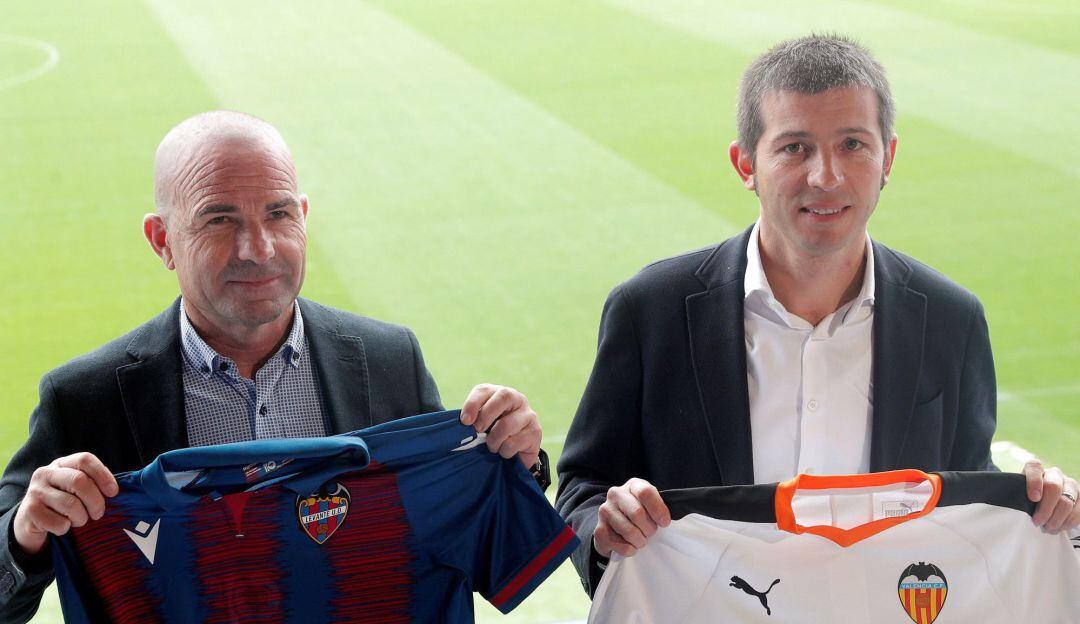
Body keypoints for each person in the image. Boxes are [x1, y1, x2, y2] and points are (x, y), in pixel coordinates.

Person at [554, 34, 1080, 596]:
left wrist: (1037, 505)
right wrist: (605, 530)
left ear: (888, 158)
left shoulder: (953, 320)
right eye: (794, 148)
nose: (825, 176)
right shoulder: (650, 310)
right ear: (745, 164)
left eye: (852, 144)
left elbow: (964, 507)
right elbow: (585, 485)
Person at [0, 111, 546, 621]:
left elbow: (467, 540)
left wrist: (514, 463)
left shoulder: (389, 360)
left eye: (279, 213)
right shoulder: (84, 399)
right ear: (163, 240)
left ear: (303, 217)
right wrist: (25, 533)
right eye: (219, 218)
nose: (257, 248)